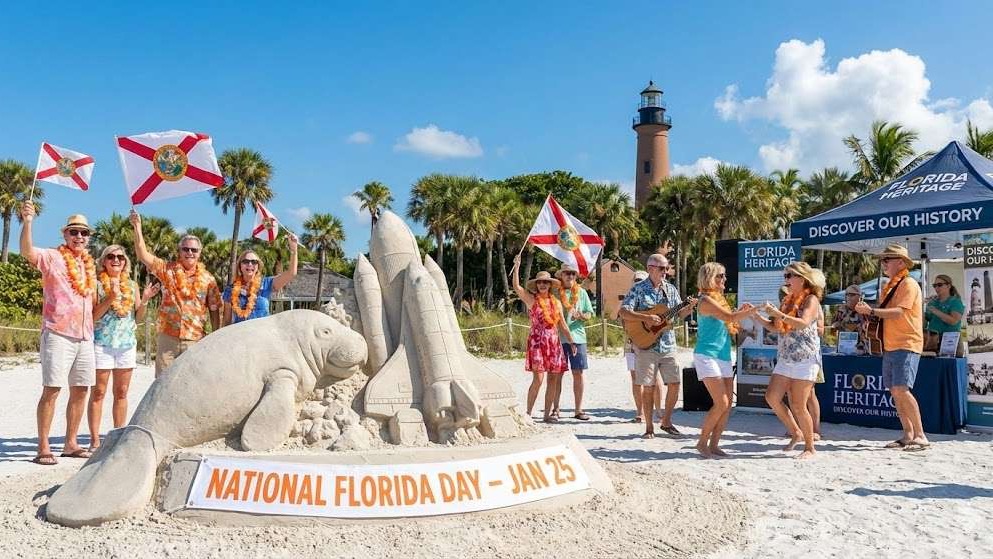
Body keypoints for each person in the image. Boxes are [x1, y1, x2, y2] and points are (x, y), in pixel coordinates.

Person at [19, 202, 96, 465]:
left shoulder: (88, 265)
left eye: (84, 233)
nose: (79, 237)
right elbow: (28, 252)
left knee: (81, 389)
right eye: (74, 232)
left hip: (85, 336)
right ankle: (43, 446)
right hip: (58, 333)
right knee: (52, 389)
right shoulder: (52, 257)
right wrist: (28, 221)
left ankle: (70, 443)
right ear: (65, 234)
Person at [854, 245, 929, 451]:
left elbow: (898, 313)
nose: (883, 263)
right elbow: (885, 314)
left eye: (888, 259)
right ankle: (908, 434)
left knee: (902, 389)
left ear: (901, 263)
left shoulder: (909, 284)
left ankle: (921, 435)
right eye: (883, 259)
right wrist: (869, 314)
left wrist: (872, 310)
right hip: (890, 343)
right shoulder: (891, 285)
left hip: (907, 342)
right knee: (895, 391)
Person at [130, 210, 221, 377]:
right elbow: (142, 254)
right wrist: (137, 227)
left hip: (195, 340)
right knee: (162, 385)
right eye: (186, 249)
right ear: (180, 251)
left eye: (194, 250)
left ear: (200, 253)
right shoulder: (167, 270)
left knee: (191, 385)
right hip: (168, 339)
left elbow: (214, 310)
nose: (190, 253)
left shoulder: (209, 279)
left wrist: (214, 338)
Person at [87, 246, 159, 451]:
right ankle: (94, 440)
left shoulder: (132, 285)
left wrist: (144, 300)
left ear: (125, 262)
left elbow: (137, 317)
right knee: (98, 393)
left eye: (120, 257)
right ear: (104, 261)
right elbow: (92, 316)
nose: (116, 260)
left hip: (126, 345)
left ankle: (117, 435)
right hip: (102, 344)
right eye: (111, 256)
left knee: (122, 392)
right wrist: (110, 297)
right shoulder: (97, 284)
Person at [619, 254, 696, 439]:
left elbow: (679, 314)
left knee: (675, 383)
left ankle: (666, 421)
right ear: (650, 268)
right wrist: (646, 317)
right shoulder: (638, 289)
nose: (665, 272)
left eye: (666, 268)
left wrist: (690, 307)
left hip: (668, 343)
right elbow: (623, 311)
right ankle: (648, 427)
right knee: (649, 386)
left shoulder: (670, 289)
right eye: (662, 268)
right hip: (646, 345)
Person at [753, 262, 824, 459]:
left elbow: (802, 323)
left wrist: (778, 313)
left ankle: (810, 448)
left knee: (799, 404)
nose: (786, 280)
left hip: (805, 358)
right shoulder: (787, 300)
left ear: (802, 279)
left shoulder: (811, 299)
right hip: (786, 357)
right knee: (772, 397)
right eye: (785, 276)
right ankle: (796, 432)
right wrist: (756, 316)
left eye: (789, 276)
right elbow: (776, 327)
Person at [694, 262, 753, 457]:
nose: (724, 279)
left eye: (724, 276)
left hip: (724, 355)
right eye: (721, 276)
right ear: (710, 277)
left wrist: (741, 312)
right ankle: (702, 442)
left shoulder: (719, 299)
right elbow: (729, 316)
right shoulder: (705, 300)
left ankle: (714, 444)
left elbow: (731, 318)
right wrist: (752, 310)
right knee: (721, 402)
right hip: (707, 354)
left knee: (727, 406)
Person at [511, 255, 578, 422]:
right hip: (537, 343)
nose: (542, 284)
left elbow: (563, 324)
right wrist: (517, 267)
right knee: (539, 379)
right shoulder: (531, 299)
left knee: (553, 378)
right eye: (540, 282)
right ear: (536, 285)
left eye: (546, 282)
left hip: (554, 343)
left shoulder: (556, 303)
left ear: (550, 285)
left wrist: (571, 342)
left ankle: (547, 415)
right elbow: (517, 287)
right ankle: (528, 413)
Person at [549, 264, 594, 420]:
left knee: (578, 373)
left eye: (572, 274)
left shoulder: (581, 293)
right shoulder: (554, 293)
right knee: (557, 374)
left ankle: (578, 410)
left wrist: (581, 315)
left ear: (576, 276)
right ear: (561, 275)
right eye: (566, 273)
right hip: (558, 338)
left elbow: (590, 314)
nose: (570, 276)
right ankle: (555, 409)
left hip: (578, 338)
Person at [222, 237, 299, 326]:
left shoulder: (267, 284)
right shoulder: (230, 290)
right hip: (241, 336)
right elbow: (226, 321)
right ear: (240, 266)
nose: (250, 264)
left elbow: (291, 273)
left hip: (263, 335)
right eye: (246, 261)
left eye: (254, 262)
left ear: (258, 266)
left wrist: (294, 250)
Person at [624, 270, 661, 423]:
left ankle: (658, 411)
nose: (638, 282)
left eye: (641, 280)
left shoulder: (653, 301)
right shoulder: (629, 300)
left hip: (651, 344)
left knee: (655, 376)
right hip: (631, 343)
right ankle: (640, 412)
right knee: (635, 378)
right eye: (636, 280)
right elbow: (623, 320)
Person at [924, 274, 964, 351]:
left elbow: (953, 321)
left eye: (939, 285)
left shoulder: (955, 301)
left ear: (948, 286)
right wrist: (919, 306)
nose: (936, 288)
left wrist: (935, 311)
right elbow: (925, 323)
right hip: (933, 339)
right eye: (934, 285)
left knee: (949, 363)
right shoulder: (932, 302)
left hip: (950, 340)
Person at [831, 284, 866, 350]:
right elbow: (832, 329)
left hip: (861, 350)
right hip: (843, 348)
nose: (848, 297)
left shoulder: (865, 310)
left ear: (859, 296)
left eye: (852, 294)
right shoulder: (840, 310)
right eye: (847, 294)